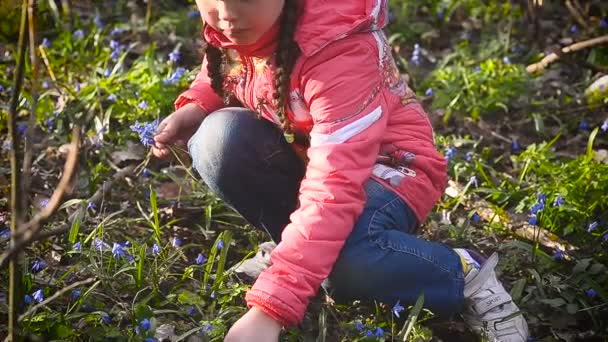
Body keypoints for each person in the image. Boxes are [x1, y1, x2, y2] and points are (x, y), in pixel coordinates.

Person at [152, 0, 529, 341]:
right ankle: (301, 252)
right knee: (216, 140)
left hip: (389, 173)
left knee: (346, 270)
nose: (227, 13)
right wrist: (199, 105)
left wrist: (272, 307)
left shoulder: (339, 51)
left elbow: (333, 186)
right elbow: (233, 69)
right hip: (315, 166)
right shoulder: (247, 24)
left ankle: (463, 275)